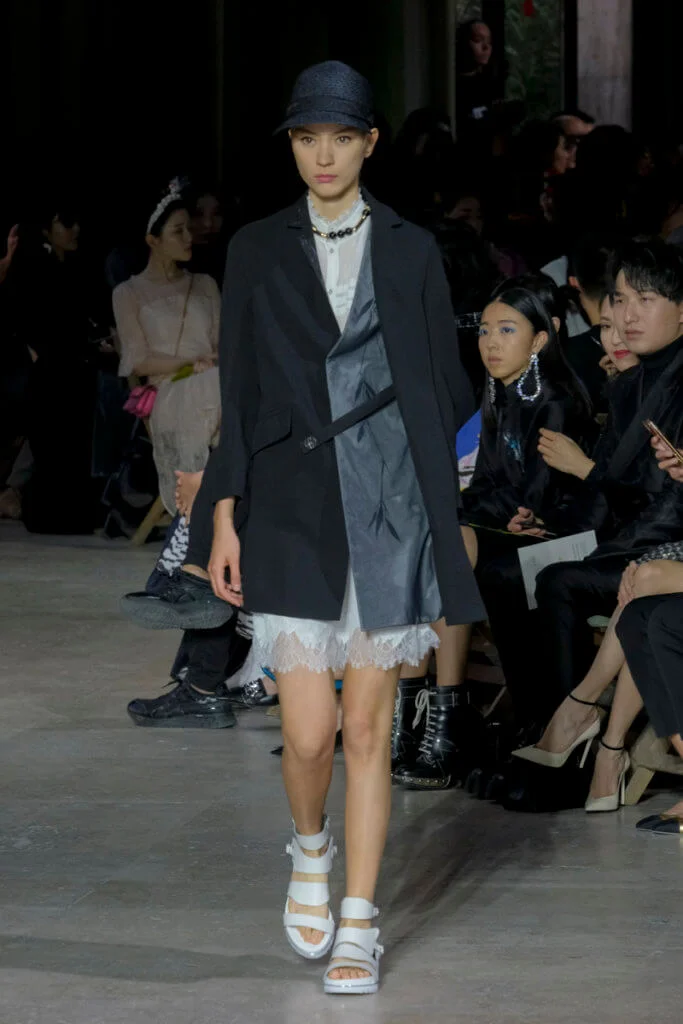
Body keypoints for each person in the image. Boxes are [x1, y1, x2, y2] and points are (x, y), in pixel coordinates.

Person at [198, 61, 482, 994]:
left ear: (369, 145)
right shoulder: (254, 247)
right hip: (288, 501)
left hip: (389, 503)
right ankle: (309, 849)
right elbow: (240, 389)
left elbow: (444, 386)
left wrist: (432, 497)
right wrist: (224, 512)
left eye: (341, 138)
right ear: (292, 145)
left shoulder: (410, 248)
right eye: (307, 138)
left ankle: (360, 920)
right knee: (310, 734)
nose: (323, 155)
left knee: (367, 727)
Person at [392, 276, 593, 789]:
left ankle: (444, 719)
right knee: (430, 540)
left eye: (507, 330)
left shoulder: (556, 401)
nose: (490, 343)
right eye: (484, 331)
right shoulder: (499, 396)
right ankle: (414, 715)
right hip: (512, 528)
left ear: (540, 339)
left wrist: (476, 511)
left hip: (561, 538)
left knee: (452, 543)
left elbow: (538, 498)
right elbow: (484, 485)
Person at [113, 178, 221, 516]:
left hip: (214, 379)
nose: (189, 237)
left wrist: (211, 362)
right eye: (178, 231)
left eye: (189, 228)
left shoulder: (205, 284)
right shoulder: (129, 293)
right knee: (221, 384)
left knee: (234, 381)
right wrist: (192, 361)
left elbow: (223, 344)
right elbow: (137, 360)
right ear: (153, 240)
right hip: (170, 390)